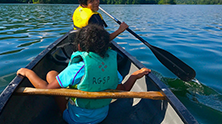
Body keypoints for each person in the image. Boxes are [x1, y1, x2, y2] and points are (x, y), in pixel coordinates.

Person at [17, 25, 151, 124]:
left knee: (51, 75)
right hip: (101, 117)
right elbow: (125, 89)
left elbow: (46, 90)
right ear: (107, 47)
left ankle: (61, 113)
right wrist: (134, 76)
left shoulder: (77, 68)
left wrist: (28, 73)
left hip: (75, 120)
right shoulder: (111, 68)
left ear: (79, 47)